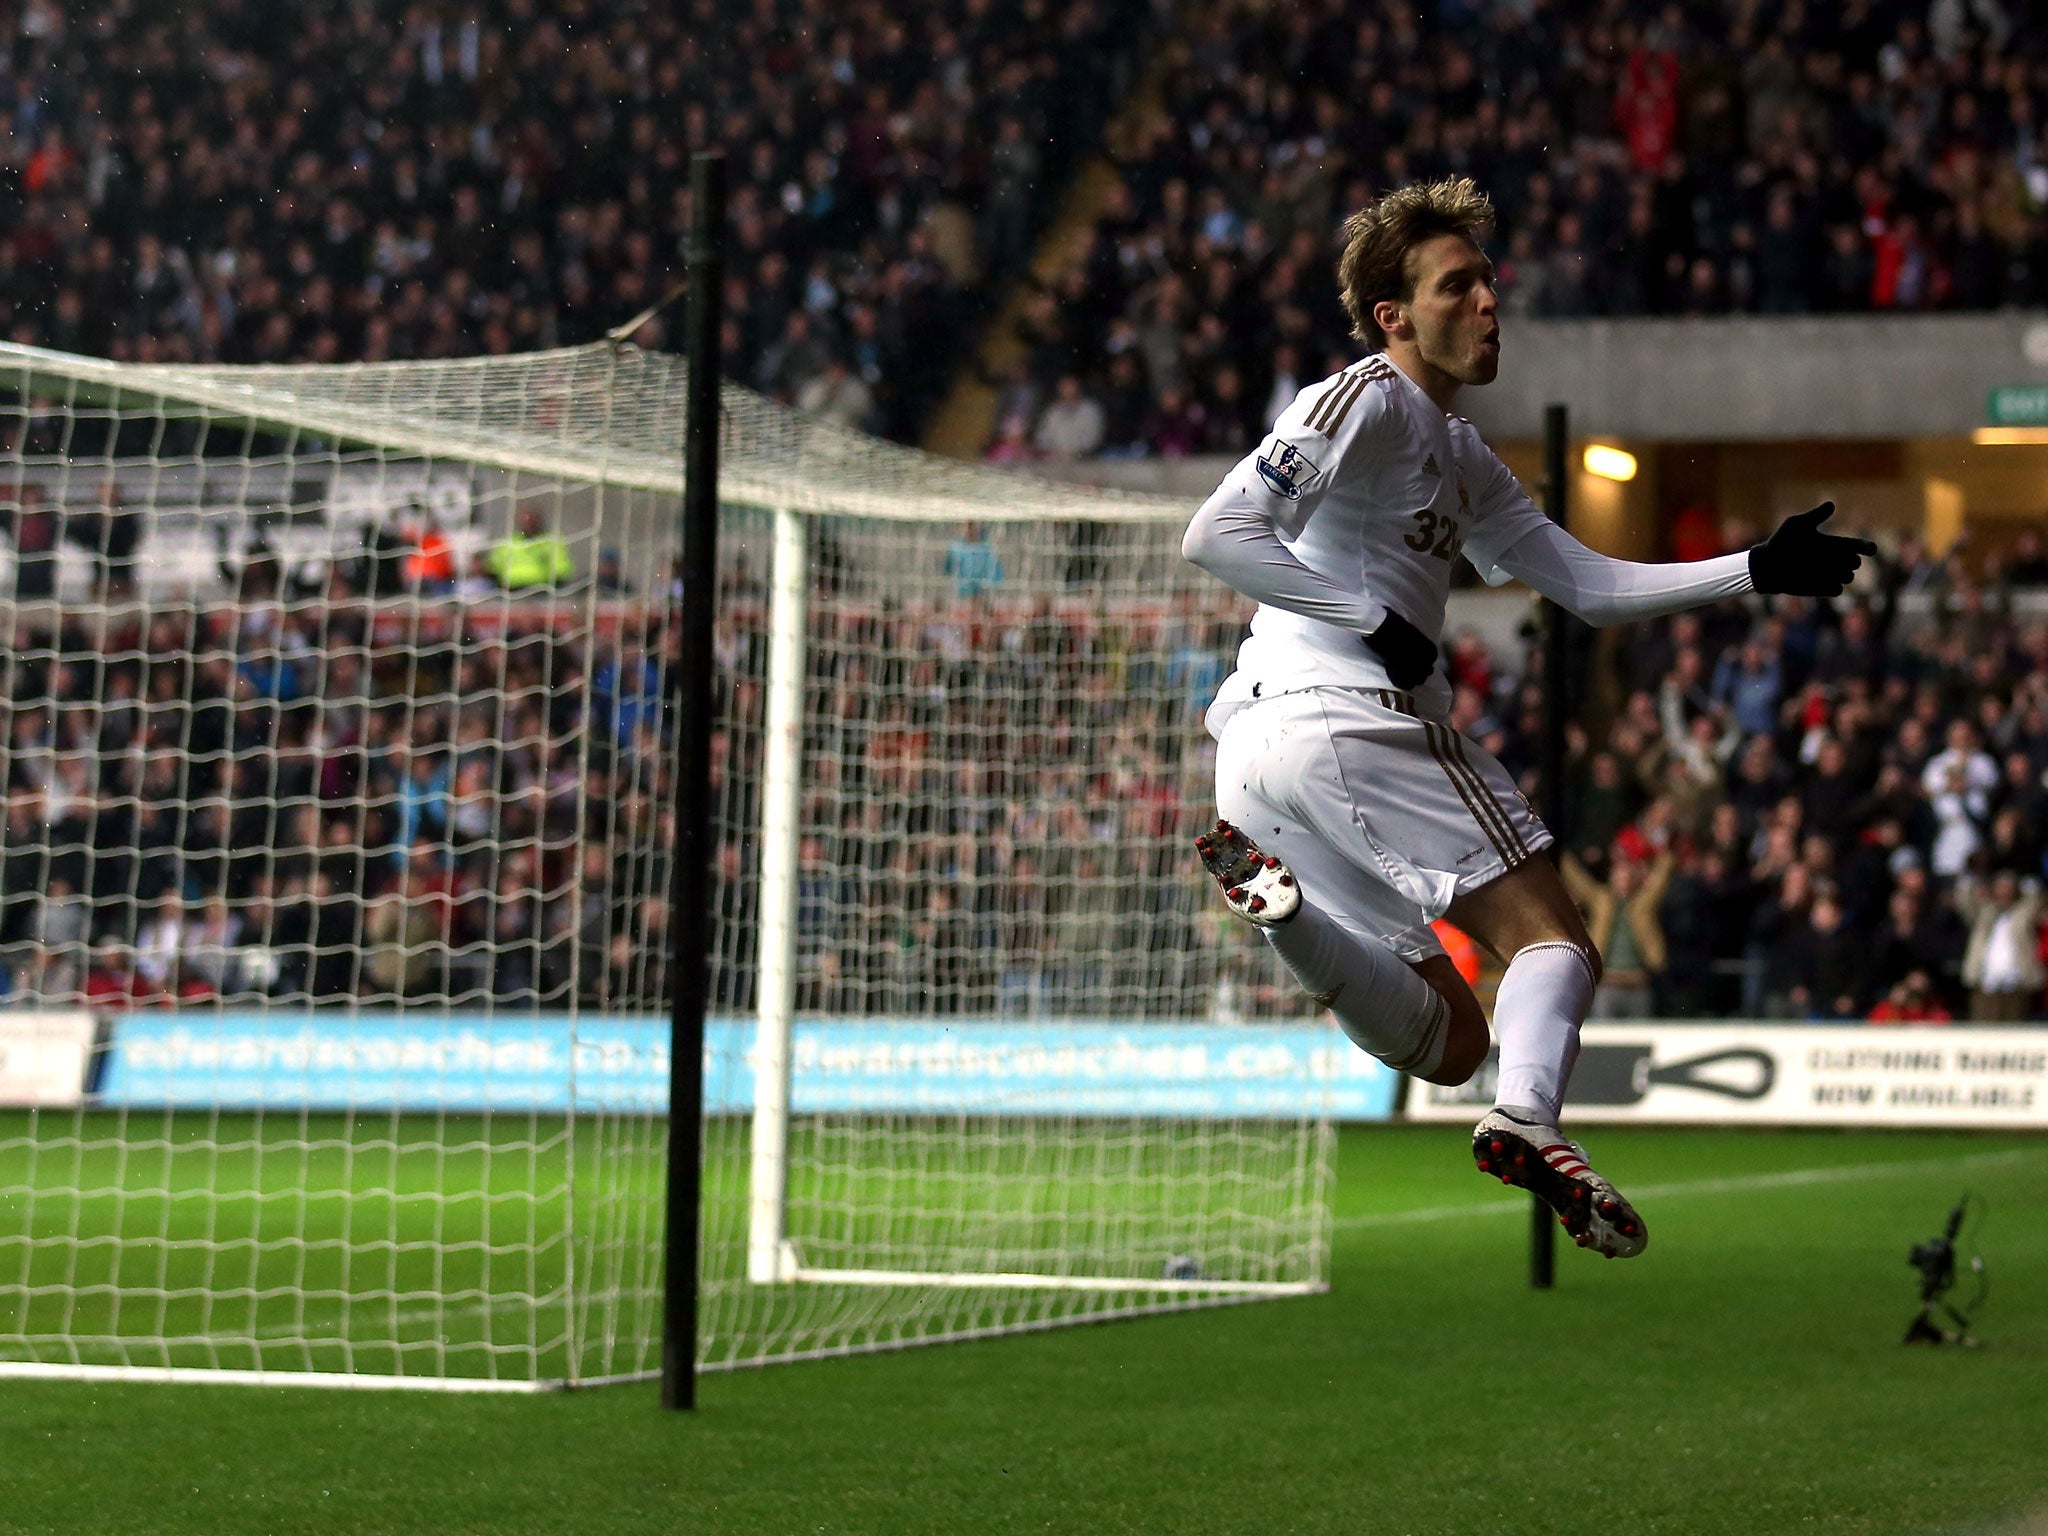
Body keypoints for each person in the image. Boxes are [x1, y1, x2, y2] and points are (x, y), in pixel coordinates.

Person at [1183, 178, 1873, 1260]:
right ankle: (1528, 1118)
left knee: (1449, 1039)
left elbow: (1587, 585)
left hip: (1259, 767)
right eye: (1455, 286)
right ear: (1390, 317)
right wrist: (1368, 617)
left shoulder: (1460, 458)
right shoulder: (1360, 396)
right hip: (1340, 719)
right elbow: (1218, 534)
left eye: (1488, 280)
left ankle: (1286, 919)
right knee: (1553, 937)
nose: (1487, 301)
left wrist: (1751, 568)